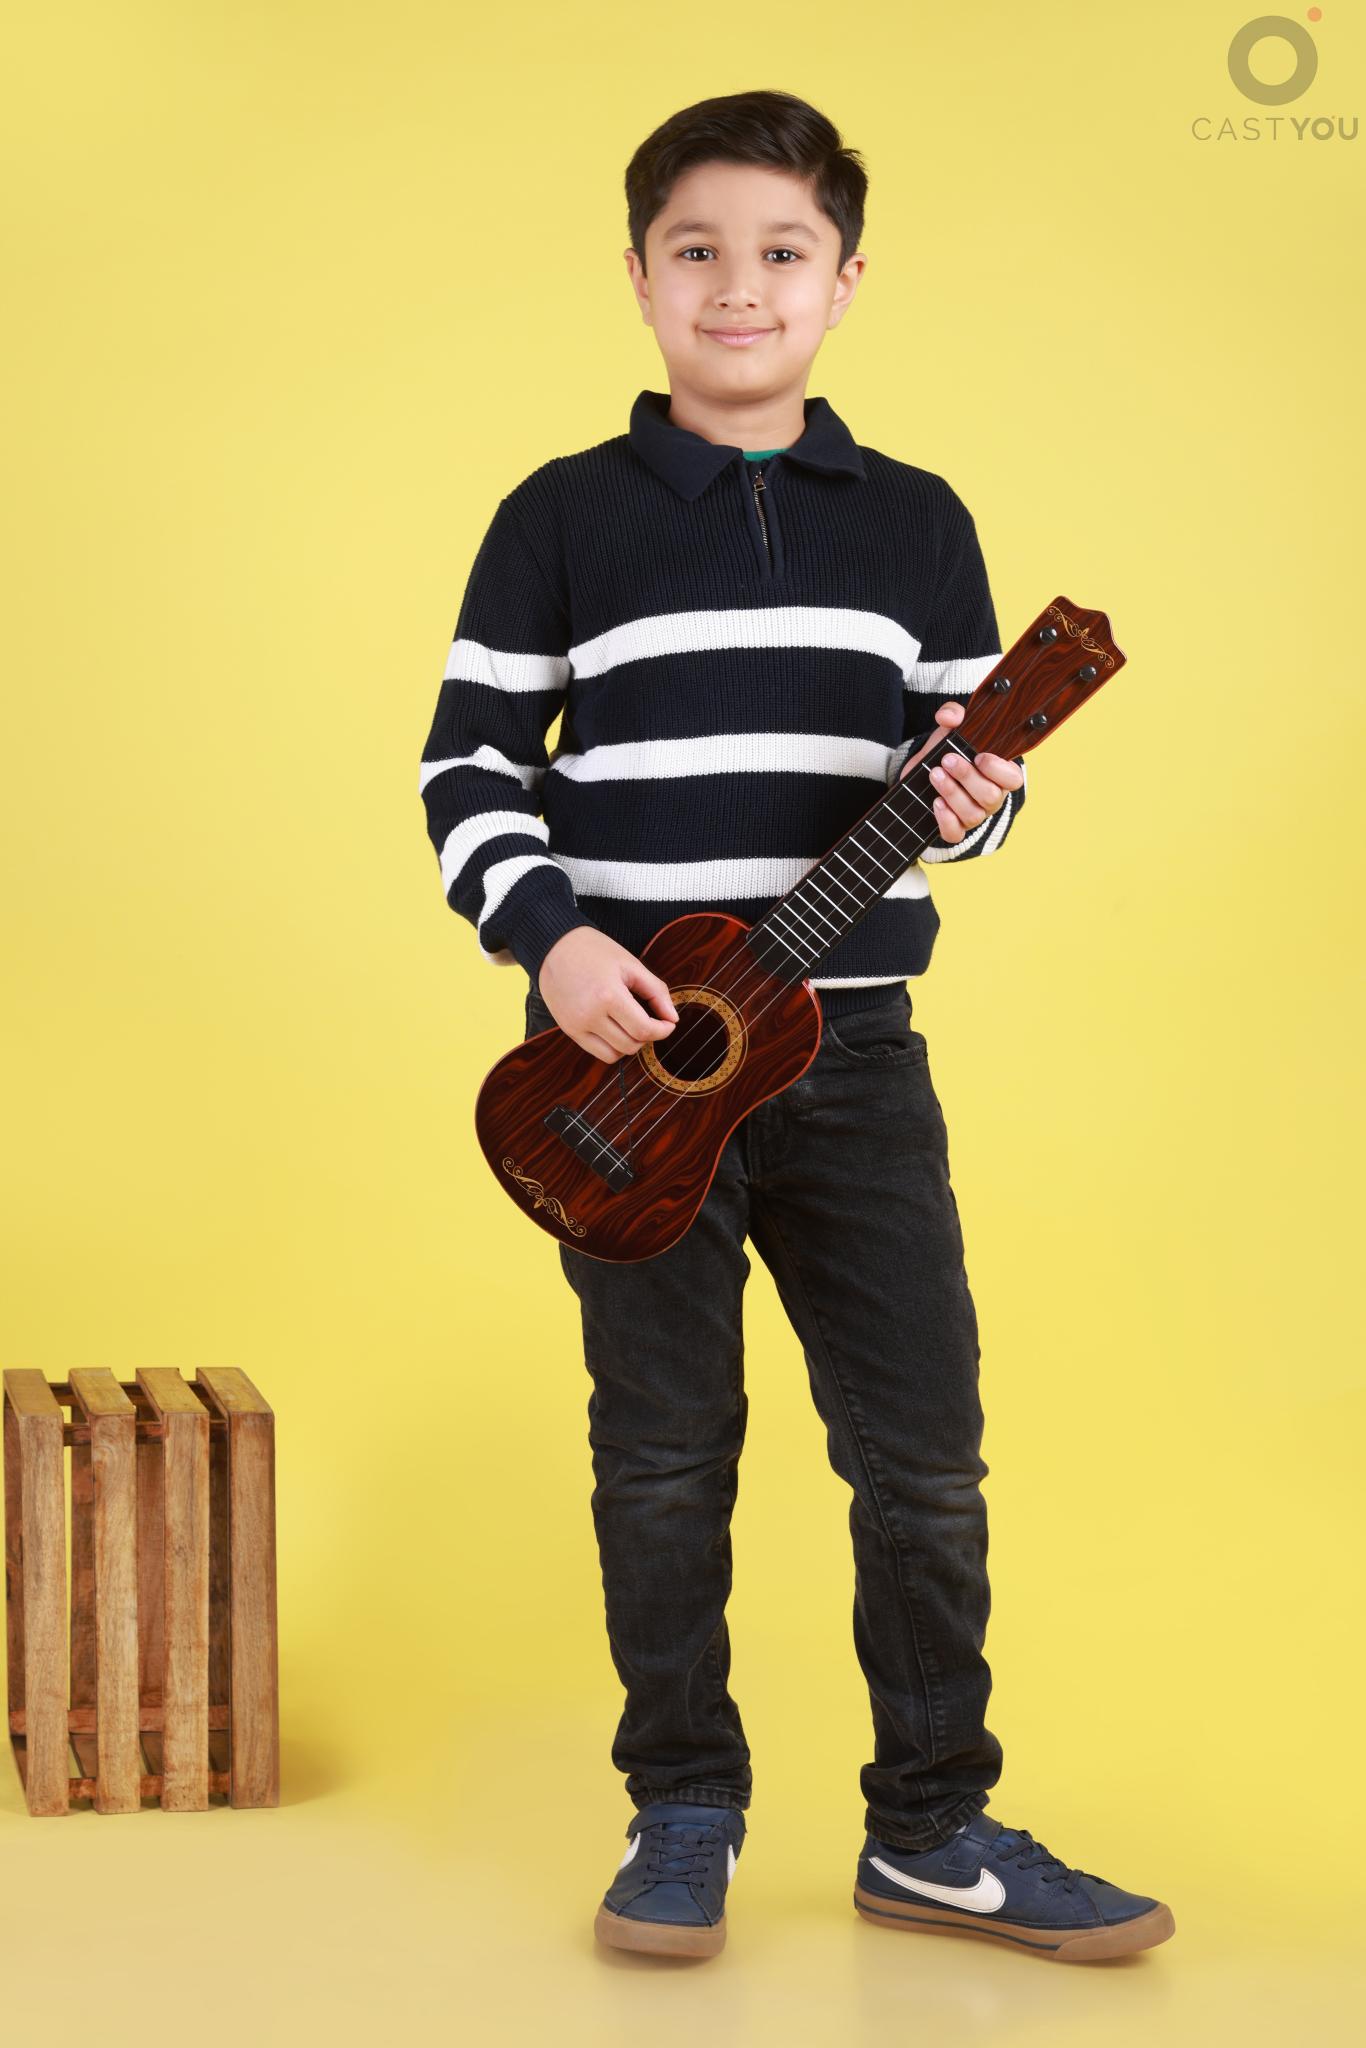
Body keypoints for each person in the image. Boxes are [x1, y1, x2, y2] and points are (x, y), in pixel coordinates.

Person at [418, 88, 1174, 1966]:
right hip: (625, 1080)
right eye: (697, 250)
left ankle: (931, 1828)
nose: (738, 287)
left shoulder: (917, 524)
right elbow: (467, 769)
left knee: (921, 1458)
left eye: (781, 252)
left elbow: (964, 783)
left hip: (855, 1066)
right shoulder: (557, 518)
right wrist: (552, 944)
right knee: (662, 1458)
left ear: (843, 283)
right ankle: (681, 1810)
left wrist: (975, 796)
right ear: (638, 275)